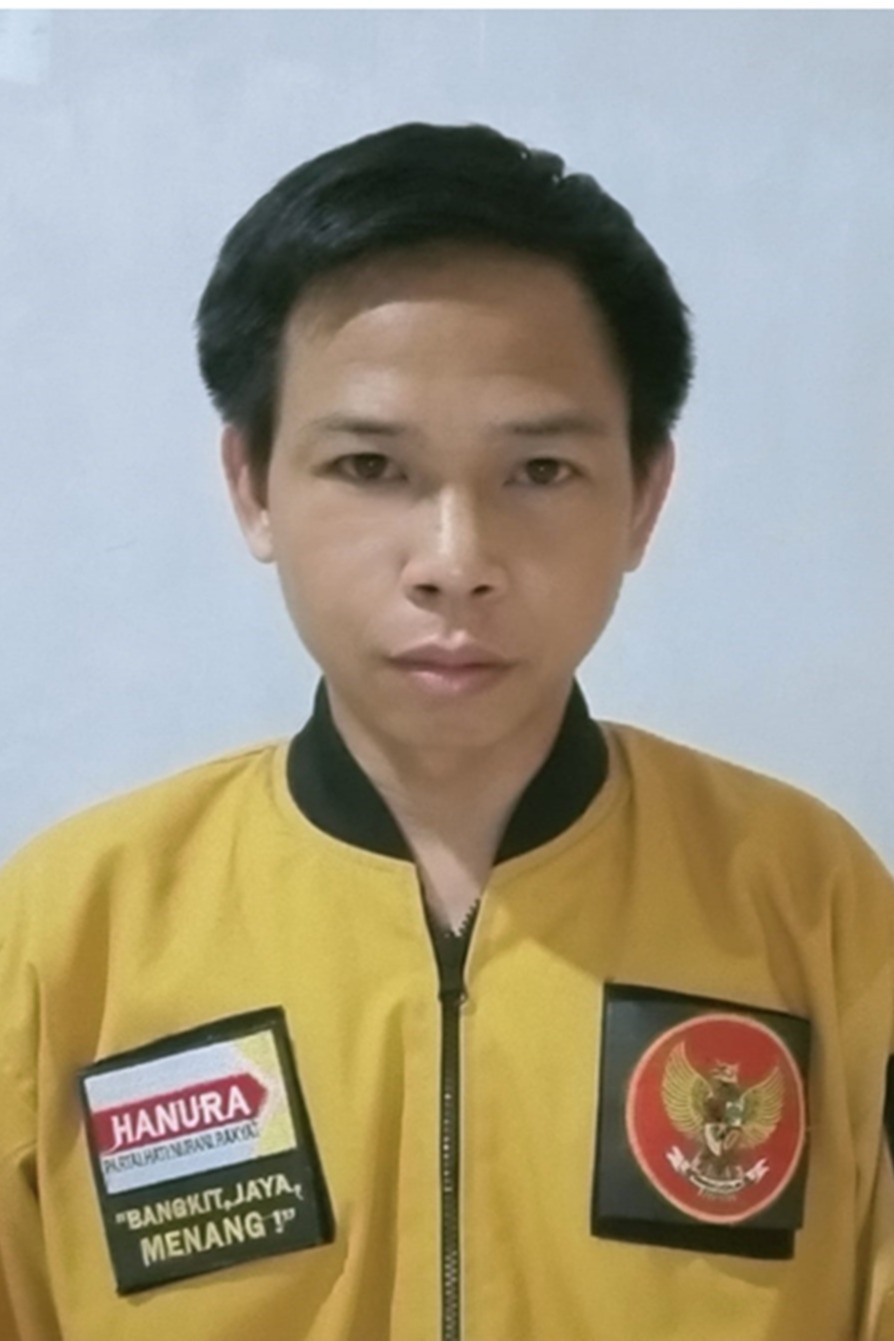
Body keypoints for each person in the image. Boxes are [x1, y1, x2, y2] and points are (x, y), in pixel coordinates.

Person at [0, 120, 892, 1341]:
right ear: (253, 486)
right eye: (371, 467)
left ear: (644, 496)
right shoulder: (71, 933)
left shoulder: (808, 899)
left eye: (540, 472)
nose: (456, 561)